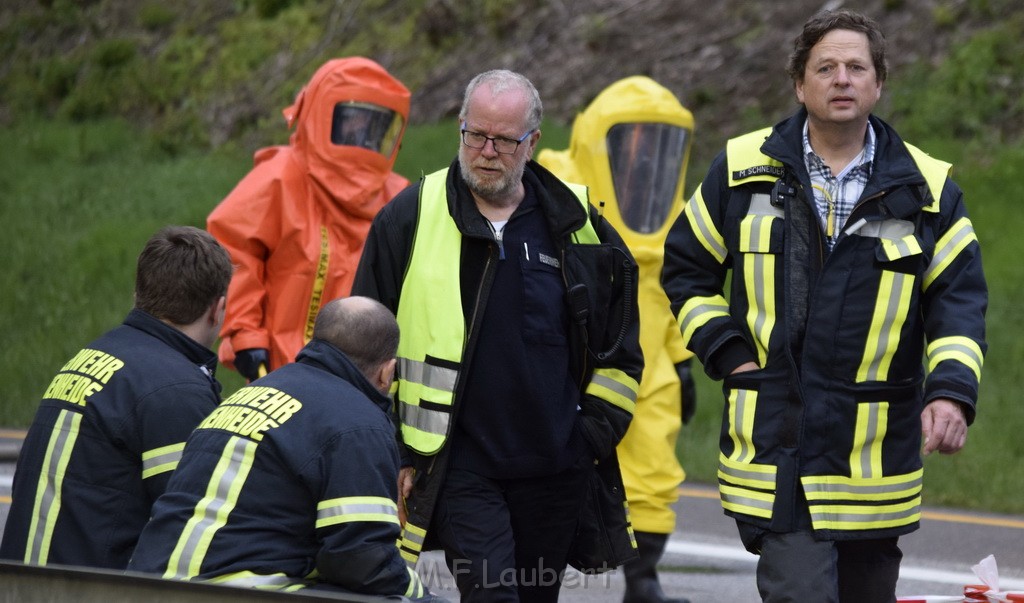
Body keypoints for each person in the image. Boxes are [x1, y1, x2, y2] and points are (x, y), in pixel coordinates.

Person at [661, 9, 987, 603]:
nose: (842, 79)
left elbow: (958, 303)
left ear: (878, 83)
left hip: (874, 468)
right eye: (826, 67)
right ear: (799, 84)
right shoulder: (741, 172)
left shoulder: (928, 191)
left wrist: (950, 393)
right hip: (777, 454)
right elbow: (686, 269)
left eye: (856, 67)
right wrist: (729, 352)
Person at [352, 69, 644, 602]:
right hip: (457, 465)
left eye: (504, 140)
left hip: (556, 472)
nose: (486, 151)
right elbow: (361, 348)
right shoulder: (411, 217)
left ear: (532, 142)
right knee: (492, 596)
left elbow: (620, 351)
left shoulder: (579, 227)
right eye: (474, 134)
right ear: (460, 128)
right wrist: (392, 453)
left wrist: (589, 440)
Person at [127, 296, 442, 601]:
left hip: (145, 586)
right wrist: (424, 596)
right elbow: (361, 561)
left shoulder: (246, 396)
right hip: (242, 592)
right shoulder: (359, 423)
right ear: (388, 372)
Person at [537, 75, 696, 603]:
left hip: (645, 361)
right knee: (549, 464)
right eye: (629, 144)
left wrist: (683, 362)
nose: (643, 160)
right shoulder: (554, 184)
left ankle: (642, 581)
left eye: (653, 147)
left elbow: (668, 291)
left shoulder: (673, 213)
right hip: (565, 357)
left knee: (654, 466)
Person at [0, 225, 233, 569]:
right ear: (218, 309)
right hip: (90, 589)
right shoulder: (176, 391)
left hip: (27, 583)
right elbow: (196, 527)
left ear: (139, 293)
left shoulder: (90, 358)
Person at [208, 56, 411, 382]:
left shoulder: (398, 197)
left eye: (372, 123)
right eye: (352, 118)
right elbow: (234, 253)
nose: (360, 132)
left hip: (367, 377)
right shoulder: (278, 180)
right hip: (282, 373)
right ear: (321, 114)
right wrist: (245, 334)